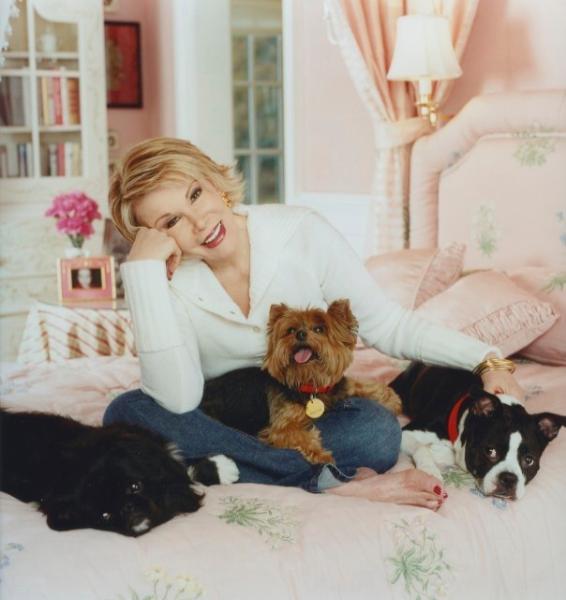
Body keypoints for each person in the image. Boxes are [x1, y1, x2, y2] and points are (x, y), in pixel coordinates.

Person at [104, 137, 524, 511]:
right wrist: (142, 274)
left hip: (304, 414)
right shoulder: (163, 279)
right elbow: (178, 400)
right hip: (218, 417)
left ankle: (220, 465)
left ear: (215, 180)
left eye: (195, 194)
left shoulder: (301, 232)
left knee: (377, 431)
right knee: (126, 413)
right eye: (170, 222)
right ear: (154, 238)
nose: (198, 222)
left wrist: (488, 361)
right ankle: (322, 479)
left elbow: (390, 327)